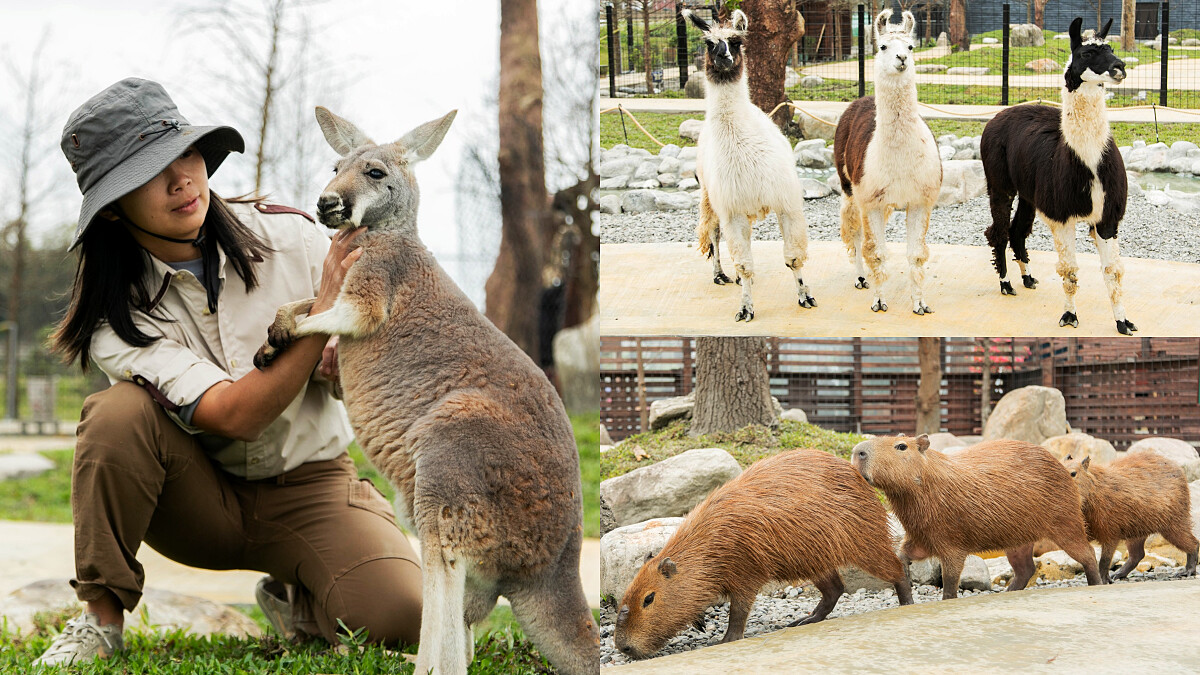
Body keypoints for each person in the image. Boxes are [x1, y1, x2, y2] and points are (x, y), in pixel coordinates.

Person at [35, 78, 422, 667]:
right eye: (147, 173)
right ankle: (100, 621)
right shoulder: (115, 317)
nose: (181, 179)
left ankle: (298, 597)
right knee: (115, 414)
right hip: (196, 498)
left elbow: (369, 361)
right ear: (112, 209)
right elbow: (236, 416)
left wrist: (345, 355)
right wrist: (320, 314)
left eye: (185, 153)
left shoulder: (292, 235)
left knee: (401, 618)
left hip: (312, 484)